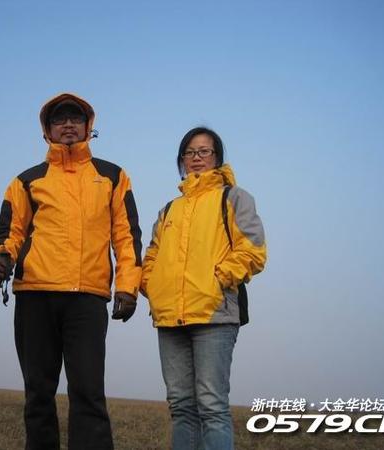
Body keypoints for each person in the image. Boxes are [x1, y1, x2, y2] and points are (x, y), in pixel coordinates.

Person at [0, 93, 142, 450]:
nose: (68, 124)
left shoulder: (113, 176)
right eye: (59, 119)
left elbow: (126, 236)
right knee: (38, 392)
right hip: (34, 295)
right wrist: (0, 257)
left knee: (88, 391)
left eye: (76, 118)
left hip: (87, 298)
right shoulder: (26, 180)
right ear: (47, 130)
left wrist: (128, 286)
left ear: (89, 127)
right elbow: (9, 233)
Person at [141, 127, 266, 450]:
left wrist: (218, 279)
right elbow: (151, 256)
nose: (196, 158)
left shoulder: (233, 197)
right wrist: (154, 288)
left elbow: (253, 250)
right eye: (190, 152)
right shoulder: (169, 209)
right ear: (181, 160)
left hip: (214, 315)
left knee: (212, 405)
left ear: (217, 157)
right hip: (169, 318)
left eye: (204, 151)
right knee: (181, 406)